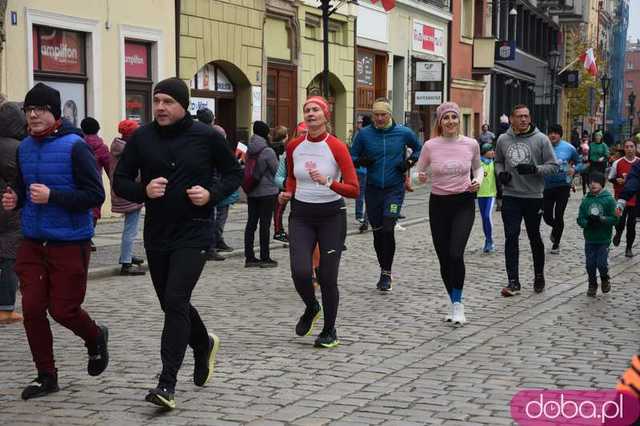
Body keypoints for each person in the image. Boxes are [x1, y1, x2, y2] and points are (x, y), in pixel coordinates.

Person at [113, 77, 243, 409]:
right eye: (157, 101)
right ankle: (202, 343)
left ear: (183, 105)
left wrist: (210, 195)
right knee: (172, 305)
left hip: (195, 231)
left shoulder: (206, 136)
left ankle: (166, 383)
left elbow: (233, 173)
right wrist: (143, 190)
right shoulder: (142, 137)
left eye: (168, 101)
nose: (160, 107)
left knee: (175, 299)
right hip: (158, 234)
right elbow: (121, 180)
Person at [1, 83, 109, 399]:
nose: (33, 115)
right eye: (29, 110)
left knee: (63, 310)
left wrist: (54, 196)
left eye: (41, 110)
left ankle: (95, 337)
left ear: (56, 114)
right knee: (33, 309)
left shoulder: (75, 146)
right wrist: (15, 199)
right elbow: (22, 188)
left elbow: (95, 195)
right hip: (33, 240)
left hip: (69, 241)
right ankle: (46, 376)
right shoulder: (24, 148)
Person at [279, 96, 359, 348]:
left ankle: (329, 330)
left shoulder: (336, 147)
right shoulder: (293, 147)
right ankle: (312, 306)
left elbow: (354, 189)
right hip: (301, 214)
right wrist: (288, 192)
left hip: (331, 215)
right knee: (300, 271)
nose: (311, 113)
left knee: (326, 276)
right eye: (307, 110)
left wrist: (328, 182)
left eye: (316, 110)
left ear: (326, 116)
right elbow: (292, 176)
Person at [416, 102, 482, 326]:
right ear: (440, 122)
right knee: (444, 257)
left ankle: (458, 305)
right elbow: (417, 173)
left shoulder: (471, 144)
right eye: (446, 118)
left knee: (455, 253)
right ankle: (453, 301)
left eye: (454, 117)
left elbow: (479, 167)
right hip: (439, 204)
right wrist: (420, 178)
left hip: (463, 201)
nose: (451, 121)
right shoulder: (430, 146)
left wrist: (478, 181)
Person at [350, 99, 421, 291]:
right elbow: (351, 156)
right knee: (378, 232)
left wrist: (408, 163)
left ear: (390, 114)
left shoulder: (403, 132)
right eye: (376, 115)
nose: (380, 118)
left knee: (388, 229)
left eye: (384, 115)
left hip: (394, 189)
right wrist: (361, 161)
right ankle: (383, 268)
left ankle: (386, 273)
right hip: (372, 189)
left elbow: (420, 148)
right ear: (372, 116)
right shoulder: (364, 134)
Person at [494, 104, 558, 297]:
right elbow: (497, 161)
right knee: (511, 236)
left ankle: (539, 275)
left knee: (534, 236)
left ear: (530, 119)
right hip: (511, 195)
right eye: (519, 116)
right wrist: (501, 174)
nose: (523, 119)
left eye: (526, 116)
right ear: (511, 119)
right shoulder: (503, 139)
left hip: (533, 196)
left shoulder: (541, 139)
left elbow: (554, 166)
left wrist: (535, 169)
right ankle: (513, 281)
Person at [107, 119, 145, 276]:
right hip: (129, 193)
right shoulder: (128, 150)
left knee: (131, 227)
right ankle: (126, 262)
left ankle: (127, 255)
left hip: (123, 191)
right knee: (131, 229)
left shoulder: (117, 146)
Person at [0, 101, 26, 324]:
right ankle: (6, 308)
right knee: (9, 257)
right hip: (8, 209)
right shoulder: (16, 147)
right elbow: (21, 179)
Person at [543, 124, 583, 255]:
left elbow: (580, 162)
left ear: (560, 135)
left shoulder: (569, 148)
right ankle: (556, 228)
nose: (553, 135)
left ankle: (556, 243)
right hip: (547, 186)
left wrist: (575, 169)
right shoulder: (543, 146)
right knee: (547, 216)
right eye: (551, 133)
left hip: (563, 186)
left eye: (556, 133)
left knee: (559, 214)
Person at [576, 172, 618, 297]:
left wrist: (602, 219)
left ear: (602, 184)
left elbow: (616, 219)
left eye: (596, 182)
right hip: (590, 238)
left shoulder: (609, 199)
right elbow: (580, 218)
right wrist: (587, 223)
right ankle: (592, 284)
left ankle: (605, 278)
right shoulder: (586, 200)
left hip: (603, 238)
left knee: (601, 263)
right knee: (590, 264)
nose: (592, 184)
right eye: (590, 182)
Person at [244, 121, 279, 267]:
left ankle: (250, 257)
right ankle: (265, 257)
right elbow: (276, 170)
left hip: (252, 190)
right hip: (267, 192)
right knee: (265, 224)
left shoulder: (249, 148)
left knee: (251, 223)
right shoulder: (267, 151)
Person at [206, 124, 240, 260]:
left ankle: (216, 241)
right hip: (217, 190)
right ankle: (213, 244)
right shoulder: (215, 150)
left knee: (218, 217)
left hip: (217, 189)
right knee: (217, 217)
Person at [81, 117, 111, 251]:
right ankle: (88, 236)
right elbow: (109, 166)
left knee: (81, 208)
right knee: (94, 211)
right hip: (95, 182)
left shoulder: (77, 143)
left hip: (79, 182)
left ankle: (84, 237)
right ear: (98, 129)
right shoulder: (102, 147)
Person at [609, 139, 639, 257]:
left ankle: (628, 248)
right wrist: (617, 180)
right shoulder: (618, 163)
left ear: (635, 148)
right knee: (619, 222)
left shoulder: (639, 162)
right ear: (624, 149)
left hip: (635, 199)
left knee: (631, 225)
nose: (629, 149)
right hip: (620, 198)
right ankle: (618, 233)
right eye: (627, 147)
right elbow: (611, 177)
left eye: (632, 146)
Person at [353, 115, 372, 232]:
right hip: (366, 169)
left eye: (360, 122)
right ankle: (365, 218)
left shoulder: (359, 135)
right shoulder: (368, 135)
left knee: (360, 193)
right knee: (368, 194)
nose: (358, 124)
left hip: (360, 168)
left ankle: (360, 216)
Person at [477, 143, 497, 253]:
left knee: (487, 216)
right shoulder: (478, 163)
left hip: (491, 194)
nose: (493, 152)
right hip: (480, 194)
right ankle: (487, 240)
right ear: (485, 152)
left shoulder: (495, 163)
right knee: (483, 220)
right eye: (491, 150)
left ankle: (490, 240)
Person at [272, 125, 290, 243]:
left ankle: (280, 230)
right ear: (285, 136)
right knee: (279, 209)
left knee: (279, 209)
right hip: (280, 182)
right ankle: (278, 231)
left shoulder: (272, 146)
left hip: (277, 181)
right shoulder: (281, 148)